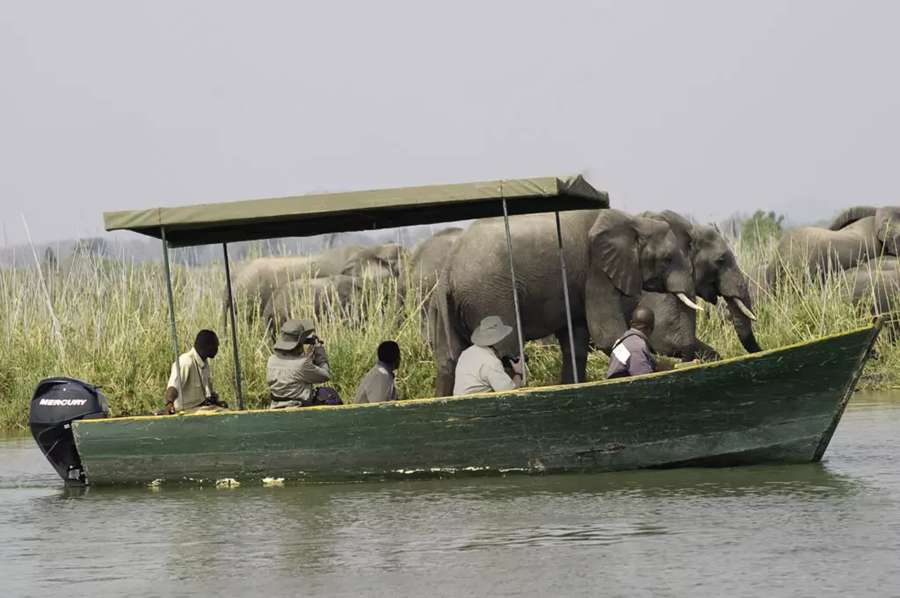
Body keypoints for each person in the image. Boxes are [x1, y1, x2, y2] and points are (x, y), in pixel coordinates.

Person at [606, 307, 700, 379]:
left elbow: (655, 366)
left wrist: (687, 366)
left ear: (631, 323)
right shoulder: (638, 347)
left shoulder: (625, 339)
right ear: (652, 328)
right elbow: (646, 381)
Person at [267, 319, 332, 409]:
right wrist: (321, 355)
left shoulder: (271, 361)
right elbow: (325, 375)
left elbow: (294, 369)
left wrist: (306, 358)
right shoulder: (302, 364)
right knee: (330, 395)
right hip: (299, 409)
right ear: (299, 343)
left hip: (275, 407)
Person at [453, 316, 524, 396]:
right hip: (478, 405)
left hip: (460, 403)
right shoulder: (492, 362)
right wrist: (519, 373)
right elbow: (509, 393)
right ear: (498, 340)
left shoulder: (466, 353)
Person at [165, 330, 228, 414]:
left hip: (203, 408)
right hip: (189, 410)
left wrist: (215, 401)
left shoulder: (204, 363)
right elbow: (173, 386)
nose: (217, 350)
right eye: (216, 346)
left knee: (228, 411)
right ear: (209, 346)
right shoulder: (186, 362)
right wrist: (169, 403)